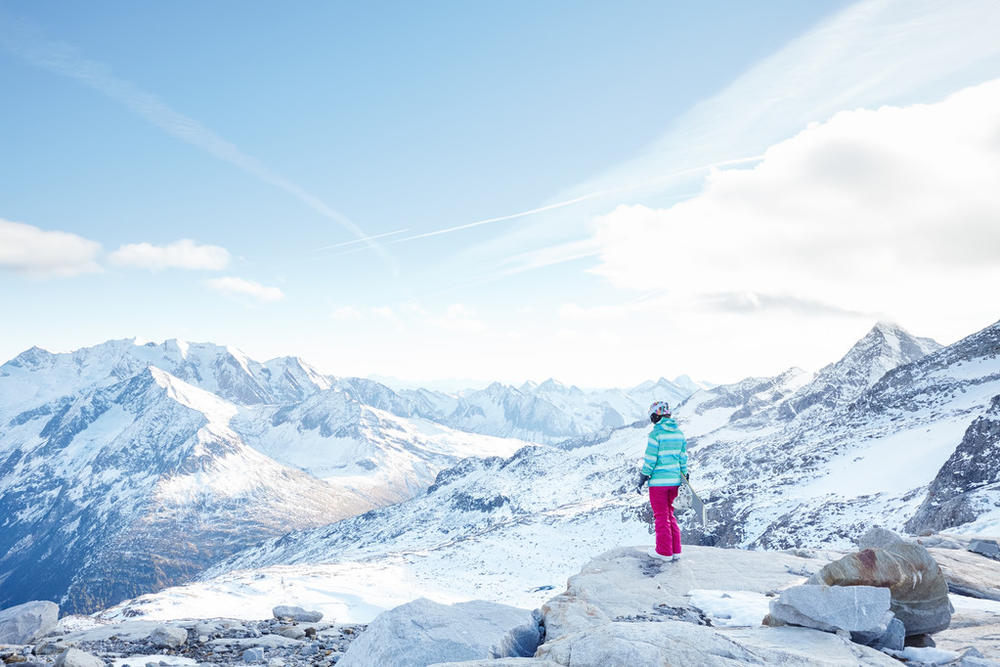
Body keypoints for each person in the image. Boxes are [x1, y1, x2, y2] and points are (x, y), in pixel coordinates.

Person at [636, 401, 689, 562]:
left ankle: (664, 552)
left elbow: (651, 460)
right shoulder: (679, 434)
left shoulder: (655, 435)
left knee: (660, 516)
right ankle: (676, 550)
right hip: (674, 482)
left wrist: (643, 476)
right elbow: (682, 458)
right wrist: (684, 475)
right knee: (670, 515)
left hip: (658, 484)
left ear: (655, 416)